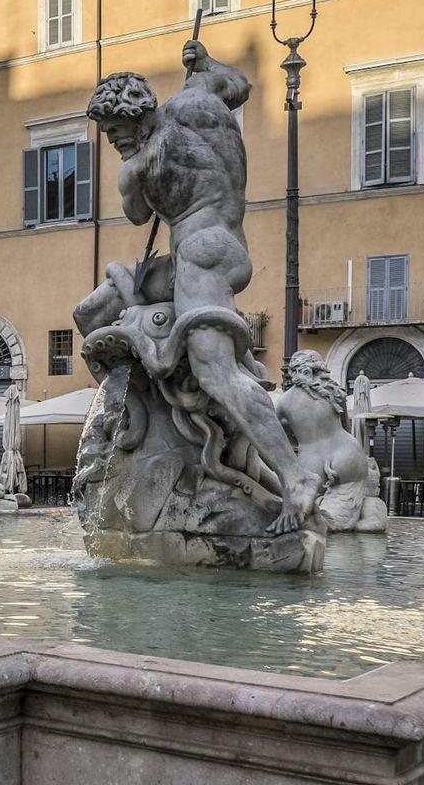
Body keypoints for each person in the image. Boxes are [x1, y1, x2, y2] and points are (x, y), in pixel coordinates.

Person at [79, 38, 322, 534]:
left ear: (136, 117)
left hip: (201, 249)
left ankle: (296, 477)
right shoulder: (196, 97)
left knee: (216, 372)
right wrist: (206, 63)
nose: (113, 141)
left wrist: (135, 172)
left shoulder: (137, 166)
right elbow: (238, 85)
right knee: (91, 314)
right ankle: (126, 423)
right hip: (218, 244)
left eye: (116, 131)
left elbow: (136, 215)